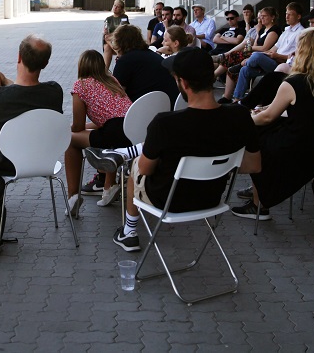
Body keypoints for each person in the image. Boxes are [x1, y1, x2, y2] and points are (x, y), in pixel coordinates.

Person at [84, 49, 261, 252]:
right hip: (212, 198)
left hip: (167, 200)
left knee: (135, 166)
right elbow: (253, 165)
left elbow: (146, 170)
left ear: (183, 84)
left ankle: (129, 231)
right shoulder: (240, 116)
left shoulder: (165, 124)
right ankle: (127, 151)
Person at [232, 28, 314, 220]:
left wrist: (245, 120)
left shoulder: (294, 82)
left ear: (302, 51)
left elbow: (268, 117)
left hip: (299, 146)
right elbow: (310, 109)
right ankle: (261, 190)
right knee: (265, 131)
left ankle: (259, 204)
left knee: (254, 138)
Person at [0, 35, 64, 176]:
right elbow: (27, 96)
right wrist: (6, 81)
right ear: (45, 63)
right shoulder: (54, 91)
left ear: (19, 57)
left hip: (1, 161)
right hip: (42, 160)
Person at [64, 49, 133, 217]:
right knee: (107, 132)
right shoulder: (112, 80)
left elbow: (78, 126)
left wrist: (68, 129)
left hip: (114, 131)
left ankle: (73, 196)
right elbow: (110, 116)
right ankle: (110, 186)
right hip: (132, 128)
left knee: (70, 140)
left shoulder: (81, 86)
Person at [232, 3, 303, 102]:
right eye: (286, 14)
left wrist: (276, 55)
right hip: (273, 60)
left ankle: (242, 64)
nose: (286, 16)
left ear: (298, 16)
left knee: (256, 56)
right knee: (245, 69)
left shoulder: (301, 33)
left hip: (283, 64)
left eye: (290, 14)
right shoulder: (286, 31)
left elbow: (297, 57)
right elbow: (273, 49)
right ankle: (237, 99)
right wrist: (268, 54)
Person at [111, 24, 180, 104]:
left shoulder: (125, 61)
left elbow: (117, 93)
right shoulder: (152, 55)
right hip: (169, 105)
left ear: (119, 43)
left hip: (143, 109)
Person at [102, 0, 131, 70]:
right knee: (106, 44)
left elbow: (123, 30)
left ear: (121, 9)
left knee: (107, 41)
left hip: (121, 40)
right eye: (114, 5)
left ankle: (105, 70)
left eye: (118, 7)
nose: (115, 8)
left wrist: (112, 35)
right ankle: (118, 53)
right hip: (112, 42)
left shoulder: (124, 17)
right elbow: (106, 31)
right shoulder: (108, 19)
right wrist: (105, 31)